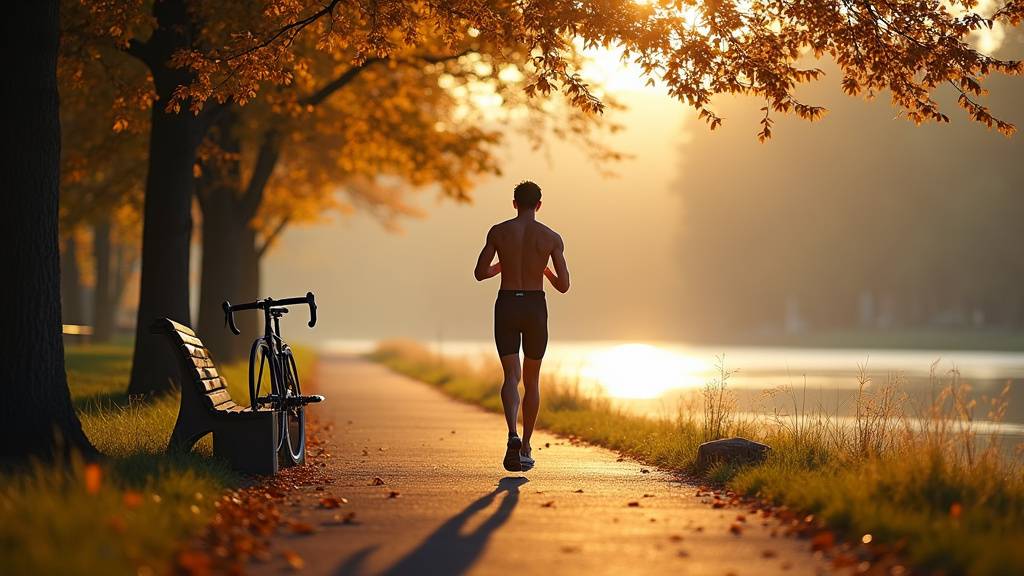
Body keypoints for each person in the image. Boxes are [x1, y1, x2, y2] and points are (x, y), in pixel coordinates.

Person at [474, 180, 570, 472]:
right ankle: (526, 446)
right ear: (539, 205)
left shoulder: (498, 232)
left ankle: (512, 434)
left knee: (510, 376)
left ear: (514, 203)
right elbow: (564, 285)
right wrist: (543, 270)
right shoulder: (551, 238)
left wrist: (502, 266)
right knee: (531, 381)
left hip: (507, 304)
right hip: (534, 307)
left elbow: (480, 273)